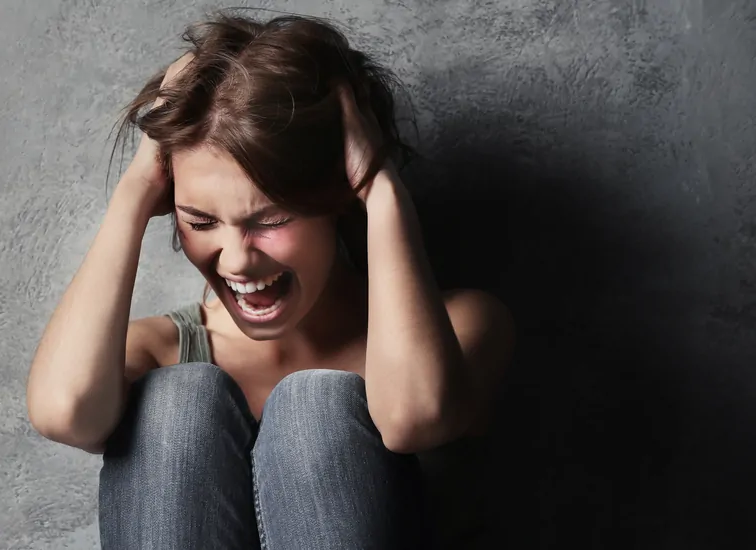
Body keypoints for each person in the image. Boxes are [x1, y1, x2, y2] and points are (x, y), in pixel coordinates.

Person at [26, 10, 515, 550]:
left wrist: (380, 190)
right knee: (176, 402)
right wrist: (135, 191)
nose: (236, 260)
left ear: (339, 199)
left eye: (272, 220)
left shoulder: (465, 324)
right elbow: (64, 411)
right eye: (201, 221)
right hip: (176, 394)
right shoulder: (162, 349)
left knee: (317, 409)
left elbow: (412, 420)